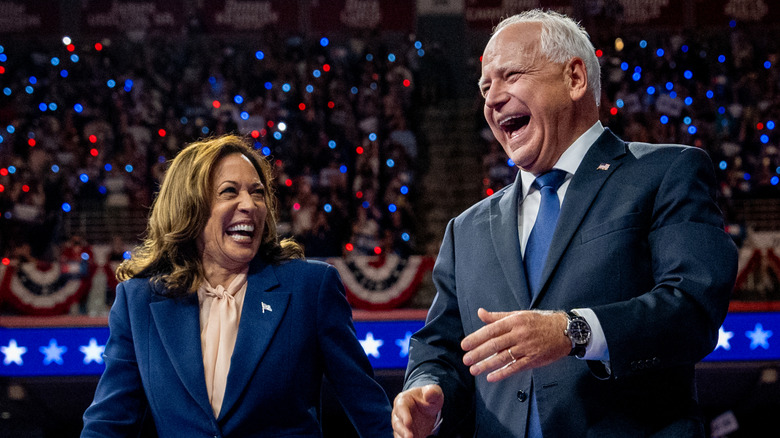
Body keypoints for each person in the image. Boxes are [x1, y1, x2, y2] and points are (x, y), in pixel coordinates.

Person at [392, 9, 738, 438]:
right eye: (484, 87)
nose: (491, 99)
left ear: (574, 78)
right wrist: (426, 389)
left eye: (511, 76)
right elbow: (440, 346)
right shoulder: (467, 229)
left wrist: (573, 330)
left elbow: (692, 309)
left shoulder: (667, 172)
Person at [82, 134, 393, 437]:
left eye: (257, 193)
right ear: (190, 207)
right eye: (229, 191)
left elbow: (369, 411)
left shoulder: (310, 288)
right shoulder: (138, 301)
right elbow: (108, 425)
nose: (250, 205)